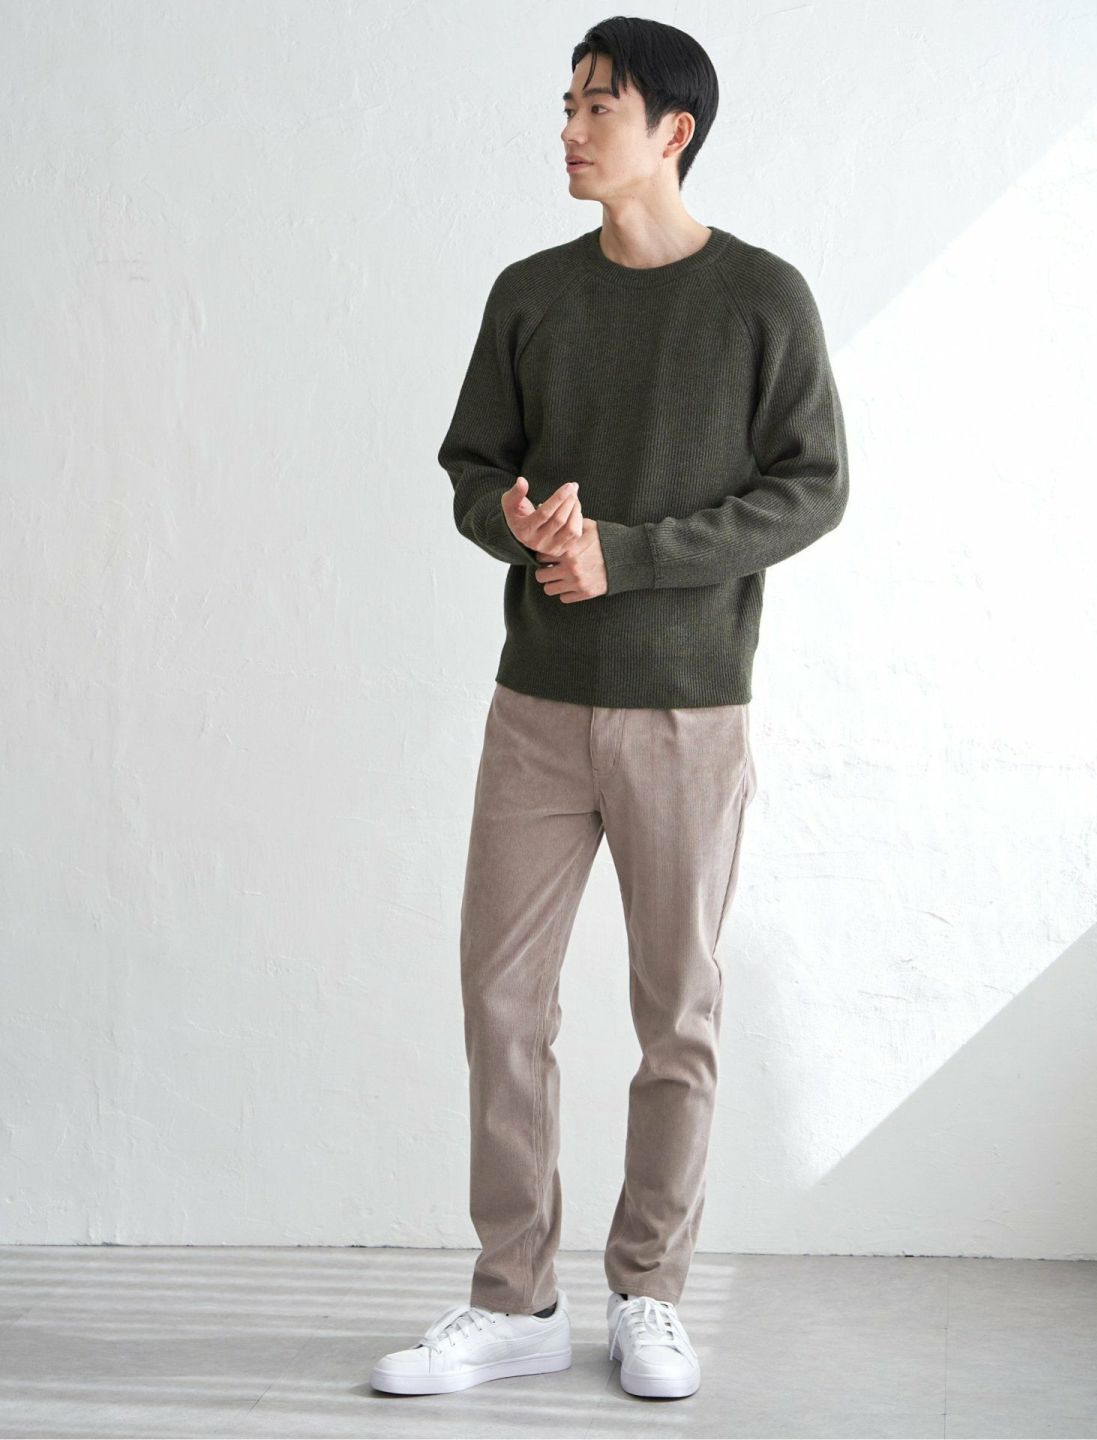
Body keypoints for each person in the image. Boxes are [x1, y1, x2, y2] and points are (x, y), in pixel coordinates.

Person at [372, 14, 848, 1402]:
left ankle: (650, 1294)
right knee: (500, 996)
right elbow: (473, 465)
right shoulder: (531, 294)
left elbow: (812, 489)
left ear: (672, 132)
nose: (571, 128)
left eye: (600, 106)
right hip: (537, 702)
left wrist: (625, 554)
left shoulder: (762, 299)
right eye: (568, 102)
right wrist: (514, 521)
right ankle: (514, 1299)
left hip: (687, 709)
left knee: (674, 1010)